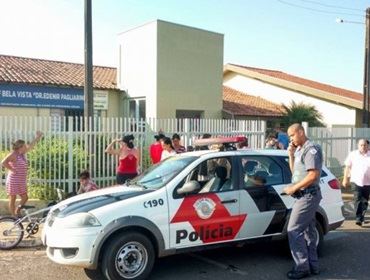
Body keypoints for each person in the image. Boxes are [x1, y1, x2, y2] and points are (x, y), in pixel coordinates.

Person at [283, 123, 323, 279]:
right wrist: (291, 155)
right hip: (303, 194)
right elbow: (296, 173)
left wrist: (293, 188)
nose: (291, 139)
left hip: (308, 195)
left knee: (293, 230)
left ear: (301, 132)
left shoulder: (311, 149)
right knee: (308, 232)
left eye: (292, 135)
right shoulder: (300, 149)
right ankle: (313, 266)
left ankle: (302, 268)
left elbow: (313, 175)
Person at [1, 131, 43, 216]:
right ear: (20, 147)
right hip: (13, 180)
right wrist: (12, 169)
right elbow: (3, 162)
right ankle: (14, 216)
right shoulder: (14, 154)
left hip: (21, 180)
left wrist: (38, 137)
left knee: (25, 197)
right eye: (24, 145)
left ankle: (17, 211)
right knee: (13, 198)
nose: (26, 146)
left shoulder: (22, 154)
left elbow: (31, 145)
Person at [342, 138, 370, 226]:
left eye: (365, 145)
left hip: (368, 182)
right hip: (356, 180)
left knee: (365, 200)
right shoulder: (353, 154)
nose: (363, 147)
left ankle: (361, 216)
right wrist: (345, 179)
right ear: (358, 146)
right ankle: (358, 218)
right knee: (357, 199)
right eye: (361, 145)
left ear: (368, 146)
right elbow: (347, 166)